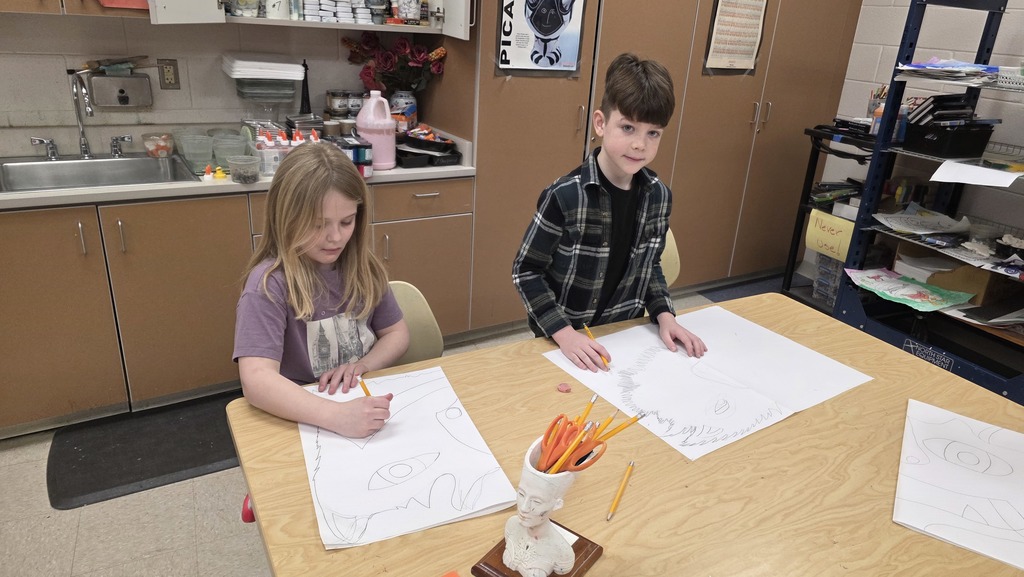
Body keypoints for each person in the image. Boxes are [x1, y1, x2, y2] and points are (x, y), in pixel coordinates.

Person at [512, 52, 707, 372]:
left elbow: (649, 266)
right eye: (628, 127)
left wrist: (665, 315)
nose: (640, 144)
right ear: (601, 123)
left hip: (625, 336)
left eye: (653, 133)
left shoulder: (658, 196)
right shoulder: (565, 195)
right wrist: (565, 335)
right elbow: (526, 270)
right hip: (564, 340)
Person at [233, 142, 410, 438]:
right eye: (318, 225)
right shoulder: (268, 285)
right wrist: (335, 415)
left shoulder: (363, 266)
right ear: (286, 219)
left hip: (359, 402)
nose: (335, 237)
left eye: (347, 222)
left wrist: (364, 365)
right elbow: (256, 379)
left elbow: (397, 333)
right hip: (300, 416)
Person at [502, 455, 577, 577]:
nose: (524, 508)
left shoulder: (562, 553)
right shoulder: (512, 525)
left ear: (557, 504)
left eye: (537, 501)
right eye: (521, 494)